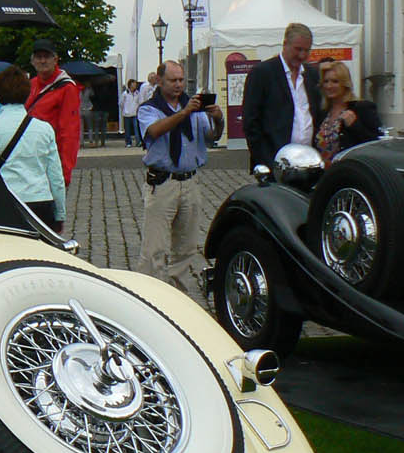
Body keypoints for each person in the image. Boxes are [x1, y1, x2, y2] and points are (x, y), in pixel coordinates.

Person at [135, 60, 224, 294]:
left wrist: (218, 118)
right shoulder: (149, 108)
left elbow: (212, 136)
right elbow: (154, 131)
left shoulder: (194, 107)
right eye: (173, 80)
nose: (178, 85)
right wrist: (184, 113)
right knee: (154, 248)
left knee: (186, 247)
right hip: (163, 183)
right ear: (159, 81)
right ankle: (149, 295)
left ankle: (179, 295)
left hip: (190, 182)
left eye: (181, 80)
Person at [0, 66, 65, 233]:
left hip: (3, 202)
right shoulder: (44, 129)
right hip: (39, 201)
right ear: (27, 94)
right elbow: (55, 177)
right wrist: (60, 214)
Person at [240, 22, 321, 170]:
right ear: (285, 44)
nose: (302, 55)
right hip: (277, 163)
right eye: (298, 49)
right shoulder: (263, 73)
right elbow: (251, 122)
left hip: (309, 162)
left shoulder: (313, 75)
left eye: (307, 50)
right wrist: (266, 161)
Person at [26, 38, 80, 185]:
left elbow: (69, 131)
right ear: (32, 61)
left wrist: (65, 172)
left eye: (47, 57)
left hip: (51, 158)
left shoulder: (67, 88)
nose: (43, 61)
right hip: (30, 158)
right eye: (39, 57)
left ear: (55, 59)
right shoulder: (31, 85)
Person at [315, 60, 382, 166]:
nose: (329, 86)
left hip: (350, 171)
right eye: (326, 81)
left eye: (335, 81)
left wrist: (355, 125)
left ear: (345, 83)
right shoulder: (322, 112)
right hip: (324, 173)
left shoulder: (362, 108)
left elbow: (376, 143)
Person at [119, 79, 142, 147]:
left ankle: (138, 142)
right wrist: (125, 110)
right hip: (127, 114)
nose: (135, 85)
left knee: (136, 128)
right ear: (130, 85)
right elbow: (121, 103)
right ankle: (128, 142)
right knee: (127, 129)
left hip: (135, 113)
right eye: (133, 84)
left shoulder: (138, 93)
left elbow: (140, 102)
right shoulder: (125, 94)